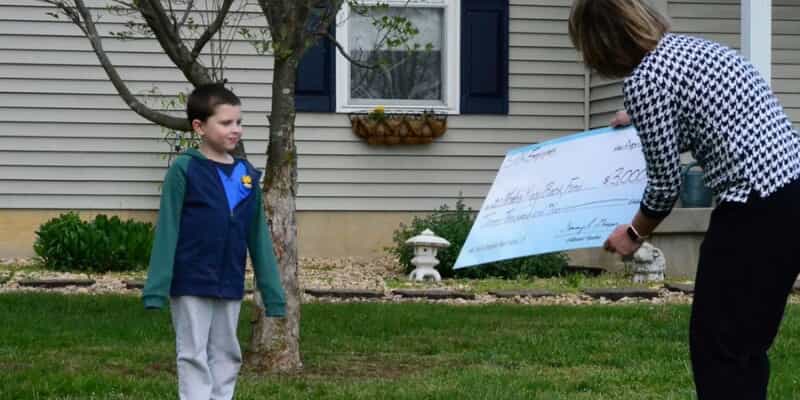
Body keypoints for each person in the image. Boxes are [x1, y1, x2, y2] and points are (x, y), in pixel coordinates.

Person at [569, 1, 800, 398]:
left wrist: (633, 234)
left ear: (601, 44)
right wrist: (638, 115)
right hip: (792, 192)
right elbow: (699, 106)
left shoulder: (646, 81)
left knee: (719, 349)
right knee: (745, 344)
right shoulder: (699, 50)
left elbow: (663, 186)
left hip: (755, 206)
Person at [142, 83, 286, 400]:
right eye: (226, 123)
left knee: (227, 352)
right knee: (193, 353)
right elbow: (168, 229)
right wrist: (156, 288)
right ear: (199, 126)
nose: (236, 130)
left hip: (230, 280)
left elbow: (258, 236)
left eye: (239, 122)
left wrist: (273, 294)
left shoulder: (246, 175)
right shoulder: (185, 169)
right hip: (191, 279)